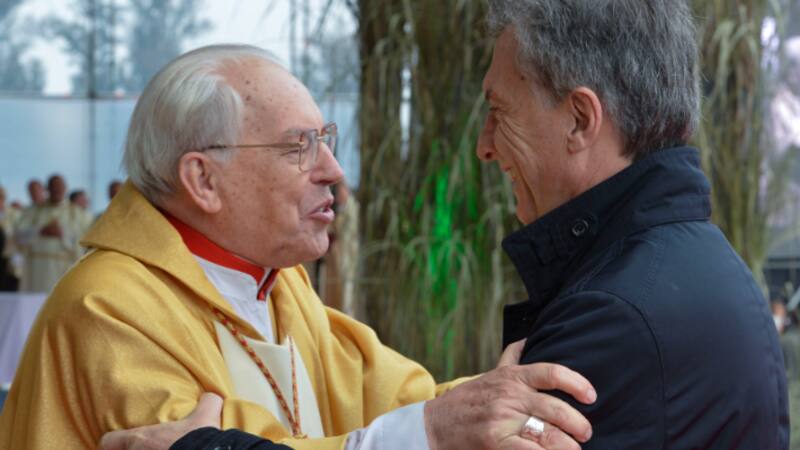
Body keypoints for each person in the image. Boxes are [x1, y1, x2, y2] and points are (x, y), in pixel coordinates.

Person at [0, 45, 597, 450]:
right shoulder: (107, 309)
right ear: (203, 179)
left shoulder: (277, 281)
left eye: (325, 141)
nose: (332, 169)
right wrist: (435, 431)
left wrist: (496, 402)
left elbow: (390, 397)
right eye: (298, 147)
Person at [477, 0, 787, 448]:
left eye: (500, 111)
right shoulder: (706, 265)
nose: (484, 146)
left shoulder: (611, 320)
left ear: (579, 120)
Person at [12, 174, 91, 292]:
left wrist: (62, 234)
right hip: (36, 269)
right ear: (47, 189)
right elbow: (18, 235)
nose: (56, 189)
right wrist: (40, 231)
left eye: (59, 186)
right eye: (53, 186)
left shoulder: (77, 214)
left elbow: (84, 241)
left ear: (65, 188)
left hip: (64, 268)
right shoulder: (33, 211)